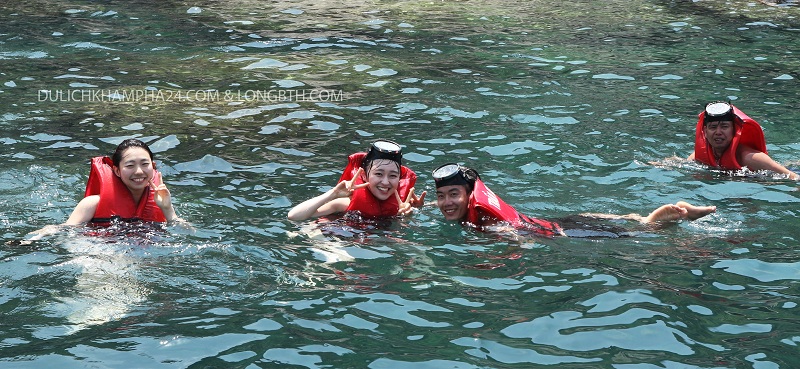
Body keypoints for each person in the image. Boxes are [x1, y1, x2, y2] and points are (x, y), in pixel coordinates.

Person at [432, 163, 716, 237]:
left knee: (645, 234)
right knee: (628, 221)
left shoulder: (485, 221)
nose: (446, 203)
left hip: (567, 233)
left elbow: (513, 237)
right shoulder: (473, 211)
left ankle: (659, 220)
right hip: (559, 221)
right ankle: (646, 217)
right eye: (441, 196)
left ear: (470, 196)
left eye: (454, 194)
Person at [287, 139, 426, 221]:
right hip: (333, 235)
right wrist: (333, 193)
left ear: (400, 179)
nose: (385, 182)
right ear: (364, 176)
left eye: (393, 176)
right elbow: (293, 216)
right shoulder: (345, 202)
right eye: (378, 174)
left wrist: (413, 212)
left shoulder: (403, 206)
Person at [688, 101, 798, 180]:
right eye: (713, 127)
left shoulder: (750, 158)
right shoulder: (699, 156)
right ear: (705, 132)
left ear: (734, 130)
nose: (718, 132)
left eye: (724, 126)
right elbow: (679, 163)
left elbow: (793, 177)